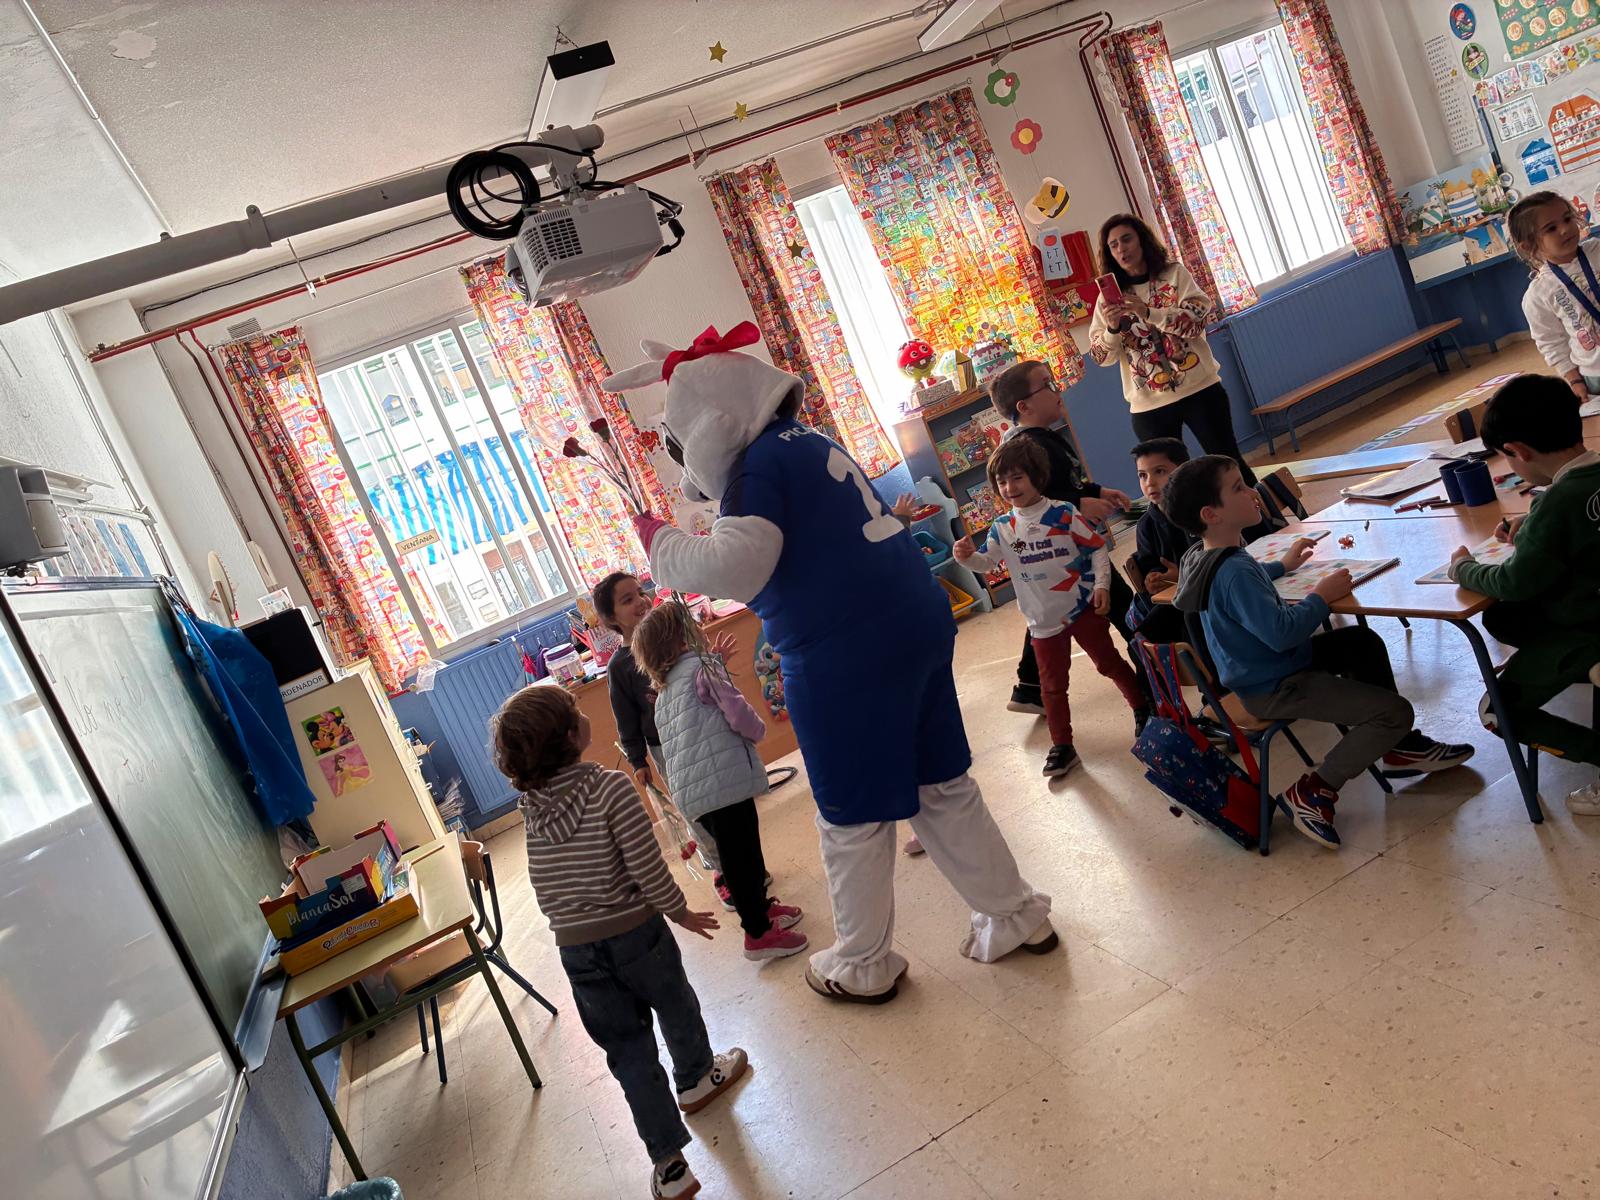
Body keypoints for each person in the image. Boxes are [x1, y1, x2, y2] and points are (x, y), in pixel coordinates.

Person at [605, 323, 1054, 1006]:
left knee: (851, 815)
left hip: (845, 651)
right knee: (940, 783)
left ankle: (862, 962)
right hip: (913, 622)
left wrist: (659, 541)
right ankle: (1015, 915)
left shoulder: (756, 471)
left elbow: (734, 567)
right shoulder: (807, 440)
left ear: (712, 421)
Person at [491, 683, 745, 1200]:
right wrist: (679, 911)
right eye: (575, 710)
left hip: (575, 949)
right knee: (675, 1004)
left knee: (628, 1052)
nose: (583, 713)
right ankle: (698, 1077)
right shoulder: (610, 788)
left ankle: (669, 1166)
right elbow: (646, 866)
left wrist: (572, 927)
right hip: (635, 932)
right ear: (571, 736)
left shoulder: (530, 809)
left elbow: (544, 883)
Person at [1167, 454, 1474, 849]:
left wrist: (1283, 566)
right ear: (1212, 514)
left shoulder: (1202, 556)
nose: (1252, 492)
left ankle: (1399, 749)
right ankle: (1314, 789)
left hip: (1260, 672)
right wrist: (1320, 597)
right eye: (1238, 488)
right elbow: (1282, 634)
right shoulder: (1234, 571)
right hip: (1276, 685)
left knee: (1360, 643)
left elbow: (1243, 582)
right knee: (1395, 713)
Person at [1447, 374, 1600, 813]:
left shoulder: (1557, 504)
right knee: (1505, 619)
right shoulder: (1574, 489)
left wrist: (1463, 568)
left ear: (1518, 451)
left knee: (1497, 712)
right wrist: (1530, 527)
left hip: (1586, 631)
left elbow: (1513, 582)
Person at [954, 439, 1147, 776]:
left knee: (1109, 663)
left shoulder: (1063, 513)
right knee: (1052, 687)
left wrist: (1102, 585)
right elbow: (988, 563)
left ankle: (1143, 709)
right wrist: (966, 559)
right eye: (1002, 481)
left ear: (1037, 476)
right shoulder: (1003, 527)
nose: (1009, 487)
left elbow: (1096, 548)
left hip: (1082, 608)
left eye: (1017, 478)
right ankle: (1062, 745)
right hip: (1041, 621)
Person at [631, 599, 806, 962]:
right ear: (683, 637)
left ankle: (760, 909)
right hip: (723, 786)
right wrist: (758, 731)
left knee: (737, 858)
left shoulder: (664, 693)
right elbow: (735, 711)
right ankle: (757, 933)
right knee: (744, 859)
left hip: (698, 795)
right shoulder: (702, 670)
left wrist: (714, 663)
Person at [988, 359, 1140, 720]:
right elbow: (1039, 499)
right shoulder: (1027, 448)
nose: (1058, 389)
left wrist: (1097, 491)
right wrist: (1080, 503)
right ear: (1024, 406)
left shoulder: (1045, 439)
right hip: (1070, 555)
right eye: (1048, 384)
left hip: (1073, 553)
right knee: (1121, 611)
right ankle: (1153, 673)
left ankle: (1029, 687)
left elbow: (1066, 483)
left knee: (1057, 612)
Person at [1088, 213, 1257, 485]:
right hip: (1148, 404)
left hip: (1200, 389)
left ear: (1142, 240)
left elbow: (1194, 323)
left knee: (1228, 463)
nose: (1121, 249)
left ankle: (1262, 513)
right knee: (1170, 483)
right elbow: (1100, 357)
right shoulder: (1108, 299)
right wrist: (1112, 329)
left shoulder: (1175, 274)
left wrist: (1147, 312)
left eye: (1127, 239)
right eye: (1113, 245)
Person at [593, 571, 725, 883]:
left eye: (641, 592)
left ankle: (738, 863)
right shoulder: (619, 665)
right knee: (693, 806)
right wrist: (637, 760)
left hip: (701, 729)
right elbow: (625, 717)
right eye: (628, 599)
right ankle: (721, 870)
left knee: (721, 798)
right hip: (665, 746)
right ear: (611, 618)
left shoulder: (671, 639)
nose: (641, 601)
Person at [1510, 191, 1600, 399]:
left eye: (1567, 219)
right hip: (1596, 375)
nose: (1565, 229)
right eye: (1551, 228)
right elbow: (1551, 343)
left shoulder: (1597, 250)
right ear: (1528, 244)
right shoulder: (1538, 294)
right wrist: (1574, 380)